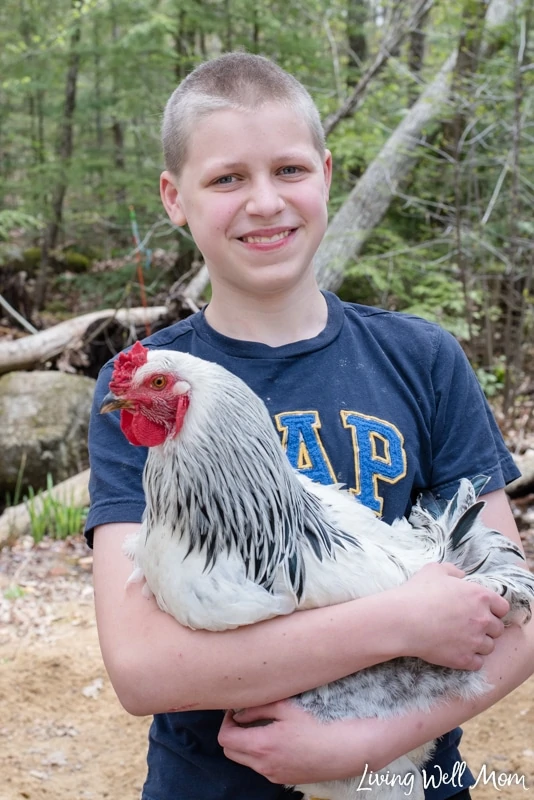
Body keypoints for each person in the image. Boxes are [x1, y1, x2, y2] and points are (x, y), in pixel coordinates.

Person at [86, 52, 534, 800]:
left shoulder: (421, 357)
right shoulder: (148, 386)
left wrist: (365, 744)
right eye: (228, 178)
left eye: (289, 170)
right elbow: (141, 670)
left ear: (326, 174)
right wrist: (401, 622)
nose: (264, 202)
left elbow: (513, 613)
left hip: (406, 777)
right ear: (174, 197)